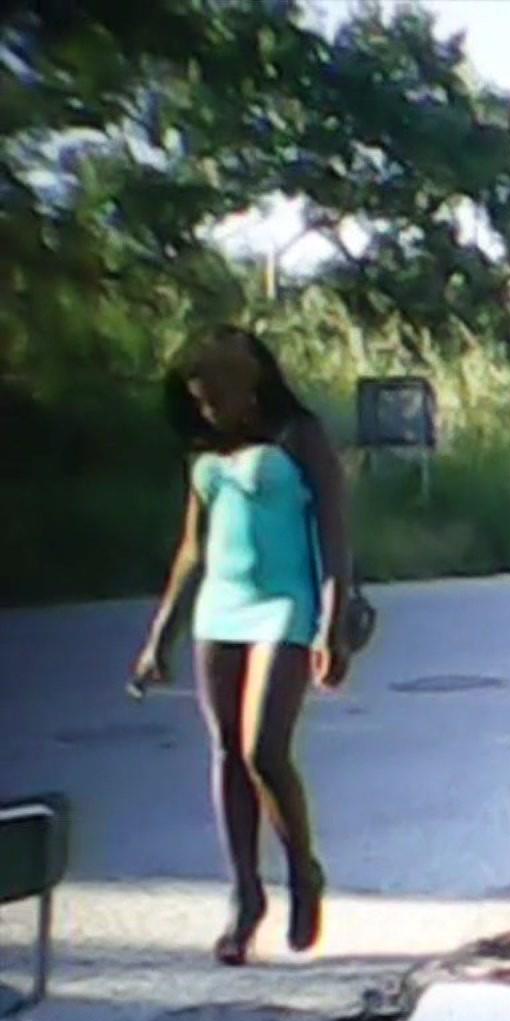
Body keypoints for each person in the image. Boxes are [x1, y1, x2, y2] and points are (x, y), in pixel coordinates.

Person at [132, 327, 351, 966]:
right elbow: (192, 550)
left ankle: (302, 875)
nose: (209, 409)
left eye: (217, 394)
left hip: (285, 606)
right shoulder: (204, 452)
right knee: (227, 753)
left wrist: (331, 623)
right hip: (218, 611)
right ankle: (246, 897)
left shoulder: (299, 436)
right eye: (199, 400)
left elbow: (334, 533)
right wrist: (158, 638)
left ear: (249, 378)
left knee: (263, 749)